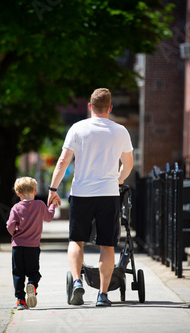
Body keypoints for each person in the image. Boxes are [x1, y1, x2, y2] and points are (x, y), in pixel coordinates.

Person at [48, 88, 134, 307]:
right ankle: (103, 295)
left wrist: (53, 189)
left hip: (82, 193)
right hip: (108, 194)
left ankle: (77, 282)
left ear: (89, 106)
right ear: (110, 108)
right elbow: (128, 164)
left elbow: (62, 161)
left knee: (76, 240)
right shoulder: (120, 131)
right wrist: (119, 180)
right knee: (107, 245)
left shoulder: (77, 129)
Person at [6, 177, 57, 310]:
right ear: (35, 191)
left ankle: (20, 301)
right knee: (34, 272)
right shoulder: (40, 205)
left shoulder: (16, 208)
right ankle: (32, 285)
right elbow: (49, 217)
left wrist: (15, 234)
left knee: (18, 273)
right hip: (33, 246)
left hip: (17, 246)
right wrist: (52, 205)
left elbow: (10, 225)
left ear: (18, 193)